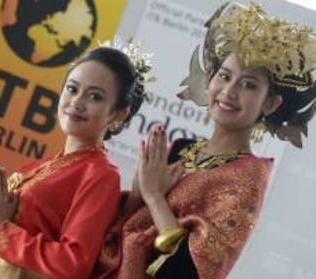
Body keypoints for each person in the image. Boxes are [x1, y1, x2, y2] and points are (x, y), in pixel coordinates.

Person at [93, 2, 316, 279]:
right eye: (224, 76)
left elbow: (188, 273)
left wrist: (153, 196)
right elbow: (123, 232)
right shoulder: (182, 148)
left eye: (248, 85)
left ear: (270, 103)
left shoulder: (247, 177)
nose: (229, 91)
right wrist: (138, 195)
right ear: (210, 81)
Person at [0, 42, 154, 279]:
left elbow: (74, 263)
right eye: (72, 89)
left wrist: (1, 229)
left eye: (95, 96)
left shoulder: (100, 173)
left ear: (119, 114)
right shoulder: (42, 166)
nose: (77, 102)